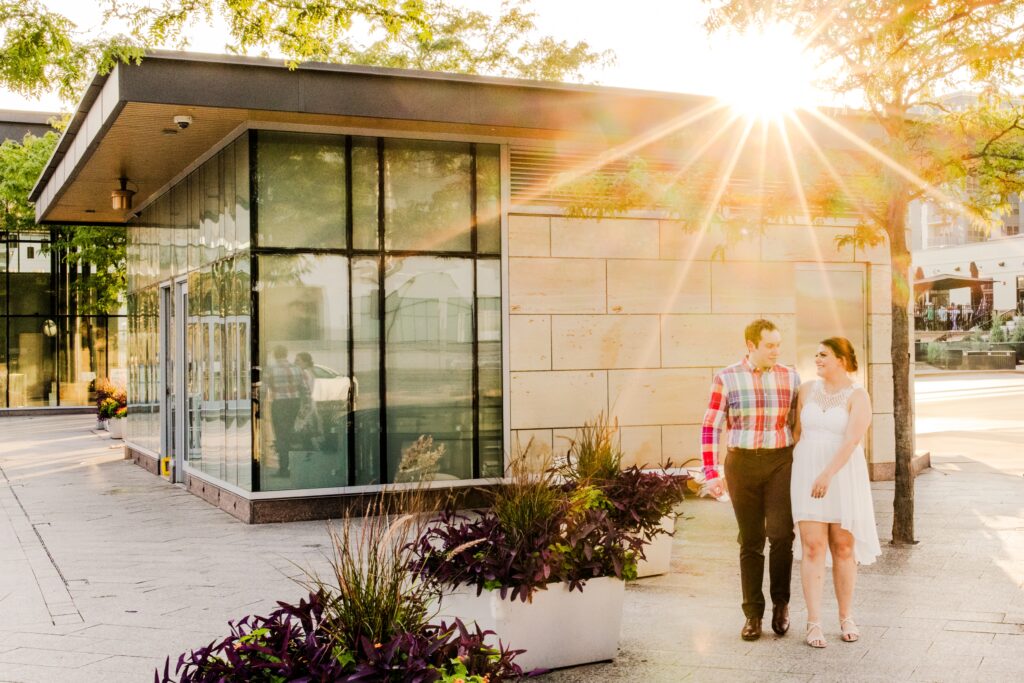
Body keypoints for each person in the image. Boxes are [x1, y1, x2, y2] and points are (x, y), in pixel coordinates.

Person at [702, 319, 801, 641]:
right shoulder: (727, 378)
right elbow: (711, 427)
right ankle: (752, 614)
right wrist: (711, 473)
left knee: (782, 535)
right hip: (741, 463)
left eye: (778, 344)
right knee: (751, 540)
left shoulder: (791, 377)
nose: (776, 351)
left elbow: (799, 425)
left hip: (779, 462)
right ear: (751, 345)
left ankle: (781, 606)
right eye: (769, 345)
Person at [791, 338, 881, 648]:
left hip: (842, 474)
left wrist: (828, 473)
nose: (817, 359)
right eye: (815, 354)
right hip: (806, 472)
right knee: (812, 547)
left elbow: (852, 440)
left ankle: (846, 616)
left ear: (842, 359)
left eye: (824, 355)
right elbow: (797, 433)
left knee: (843, 546)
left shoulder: (858, 396)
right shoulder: (806, 391)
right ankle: (813, 622)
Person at [265, 345, 303, 476]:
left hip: (279, 404)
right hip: (295, 403)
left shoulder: (270, 369)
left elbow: (264, 390)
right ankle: (297, 466)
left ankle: (284, 469)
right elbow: (304, 389)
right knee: (291, 433)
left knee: (281, 436)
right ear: (286, 354)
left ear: (275, 354)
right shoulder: (296, 368)